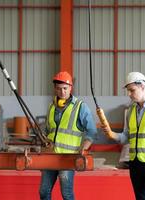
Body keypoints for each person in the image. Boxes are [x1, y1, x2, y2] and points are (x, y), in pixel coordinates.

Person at [101, 72, 145, 200]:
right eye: (128, 91)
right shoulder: (131, 111)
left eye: (132, 90)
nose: (129, 94)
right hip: (135, 163)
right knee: (140, 197)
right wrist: (112, 134)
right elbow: (127, 136)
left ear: (142, 87)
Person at [39, 71, 97, 200]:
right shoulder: (51, 107)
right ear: (55, 89)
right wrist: (43, 139)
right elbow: (49, 130)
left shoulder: (80, 107)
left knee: (66, 194)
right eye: (59, 89)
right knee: (44, 191)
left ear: (71, 88)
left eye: (65, 88)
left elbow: (92, 131)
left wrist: (85, 147)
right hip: (50, 155)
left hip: (67, 157)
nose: (62, 92)